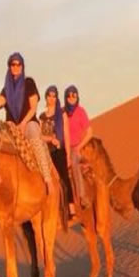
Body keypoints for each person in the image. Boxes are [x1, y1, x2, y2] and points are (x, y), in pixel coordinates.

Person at [0, 52, 54, 191]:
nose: (15, 67)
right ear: (9, 67)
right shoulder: (7, 89)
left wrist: (23, 123)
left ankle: (48, 179)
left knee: (34, 136)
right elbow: (0, 101)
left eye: (18, 64)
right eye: (13, 64)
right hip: (11, 125)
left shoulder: (29, 83)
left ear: (22, 66)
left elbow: (33, 107)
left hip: (28, 122)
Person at [40, 85, 76, 218]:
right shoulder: (42, 117)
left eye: (54, 95)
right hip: (47, 153)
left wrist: (67, 155)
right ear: (46, 97)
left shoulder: (61, 114)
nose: (51, 98)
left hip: (59, 151)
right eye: (49, 95)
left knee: (64, 178)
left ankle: (71, 208)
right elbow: (39, 136)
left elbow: (66, 134)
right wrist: (50, 139)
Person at [63, 85, 92, 208]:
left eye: (74, 95)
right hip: (63, 149)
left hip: (77, 148)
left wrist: (79, 147)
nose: (71, 97)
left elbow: (90, 132)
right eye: (69, 95)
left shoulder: (81, 112)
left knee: (74, 162)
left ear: (77, 96)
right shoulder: (62, 112)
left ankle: (82, 196)